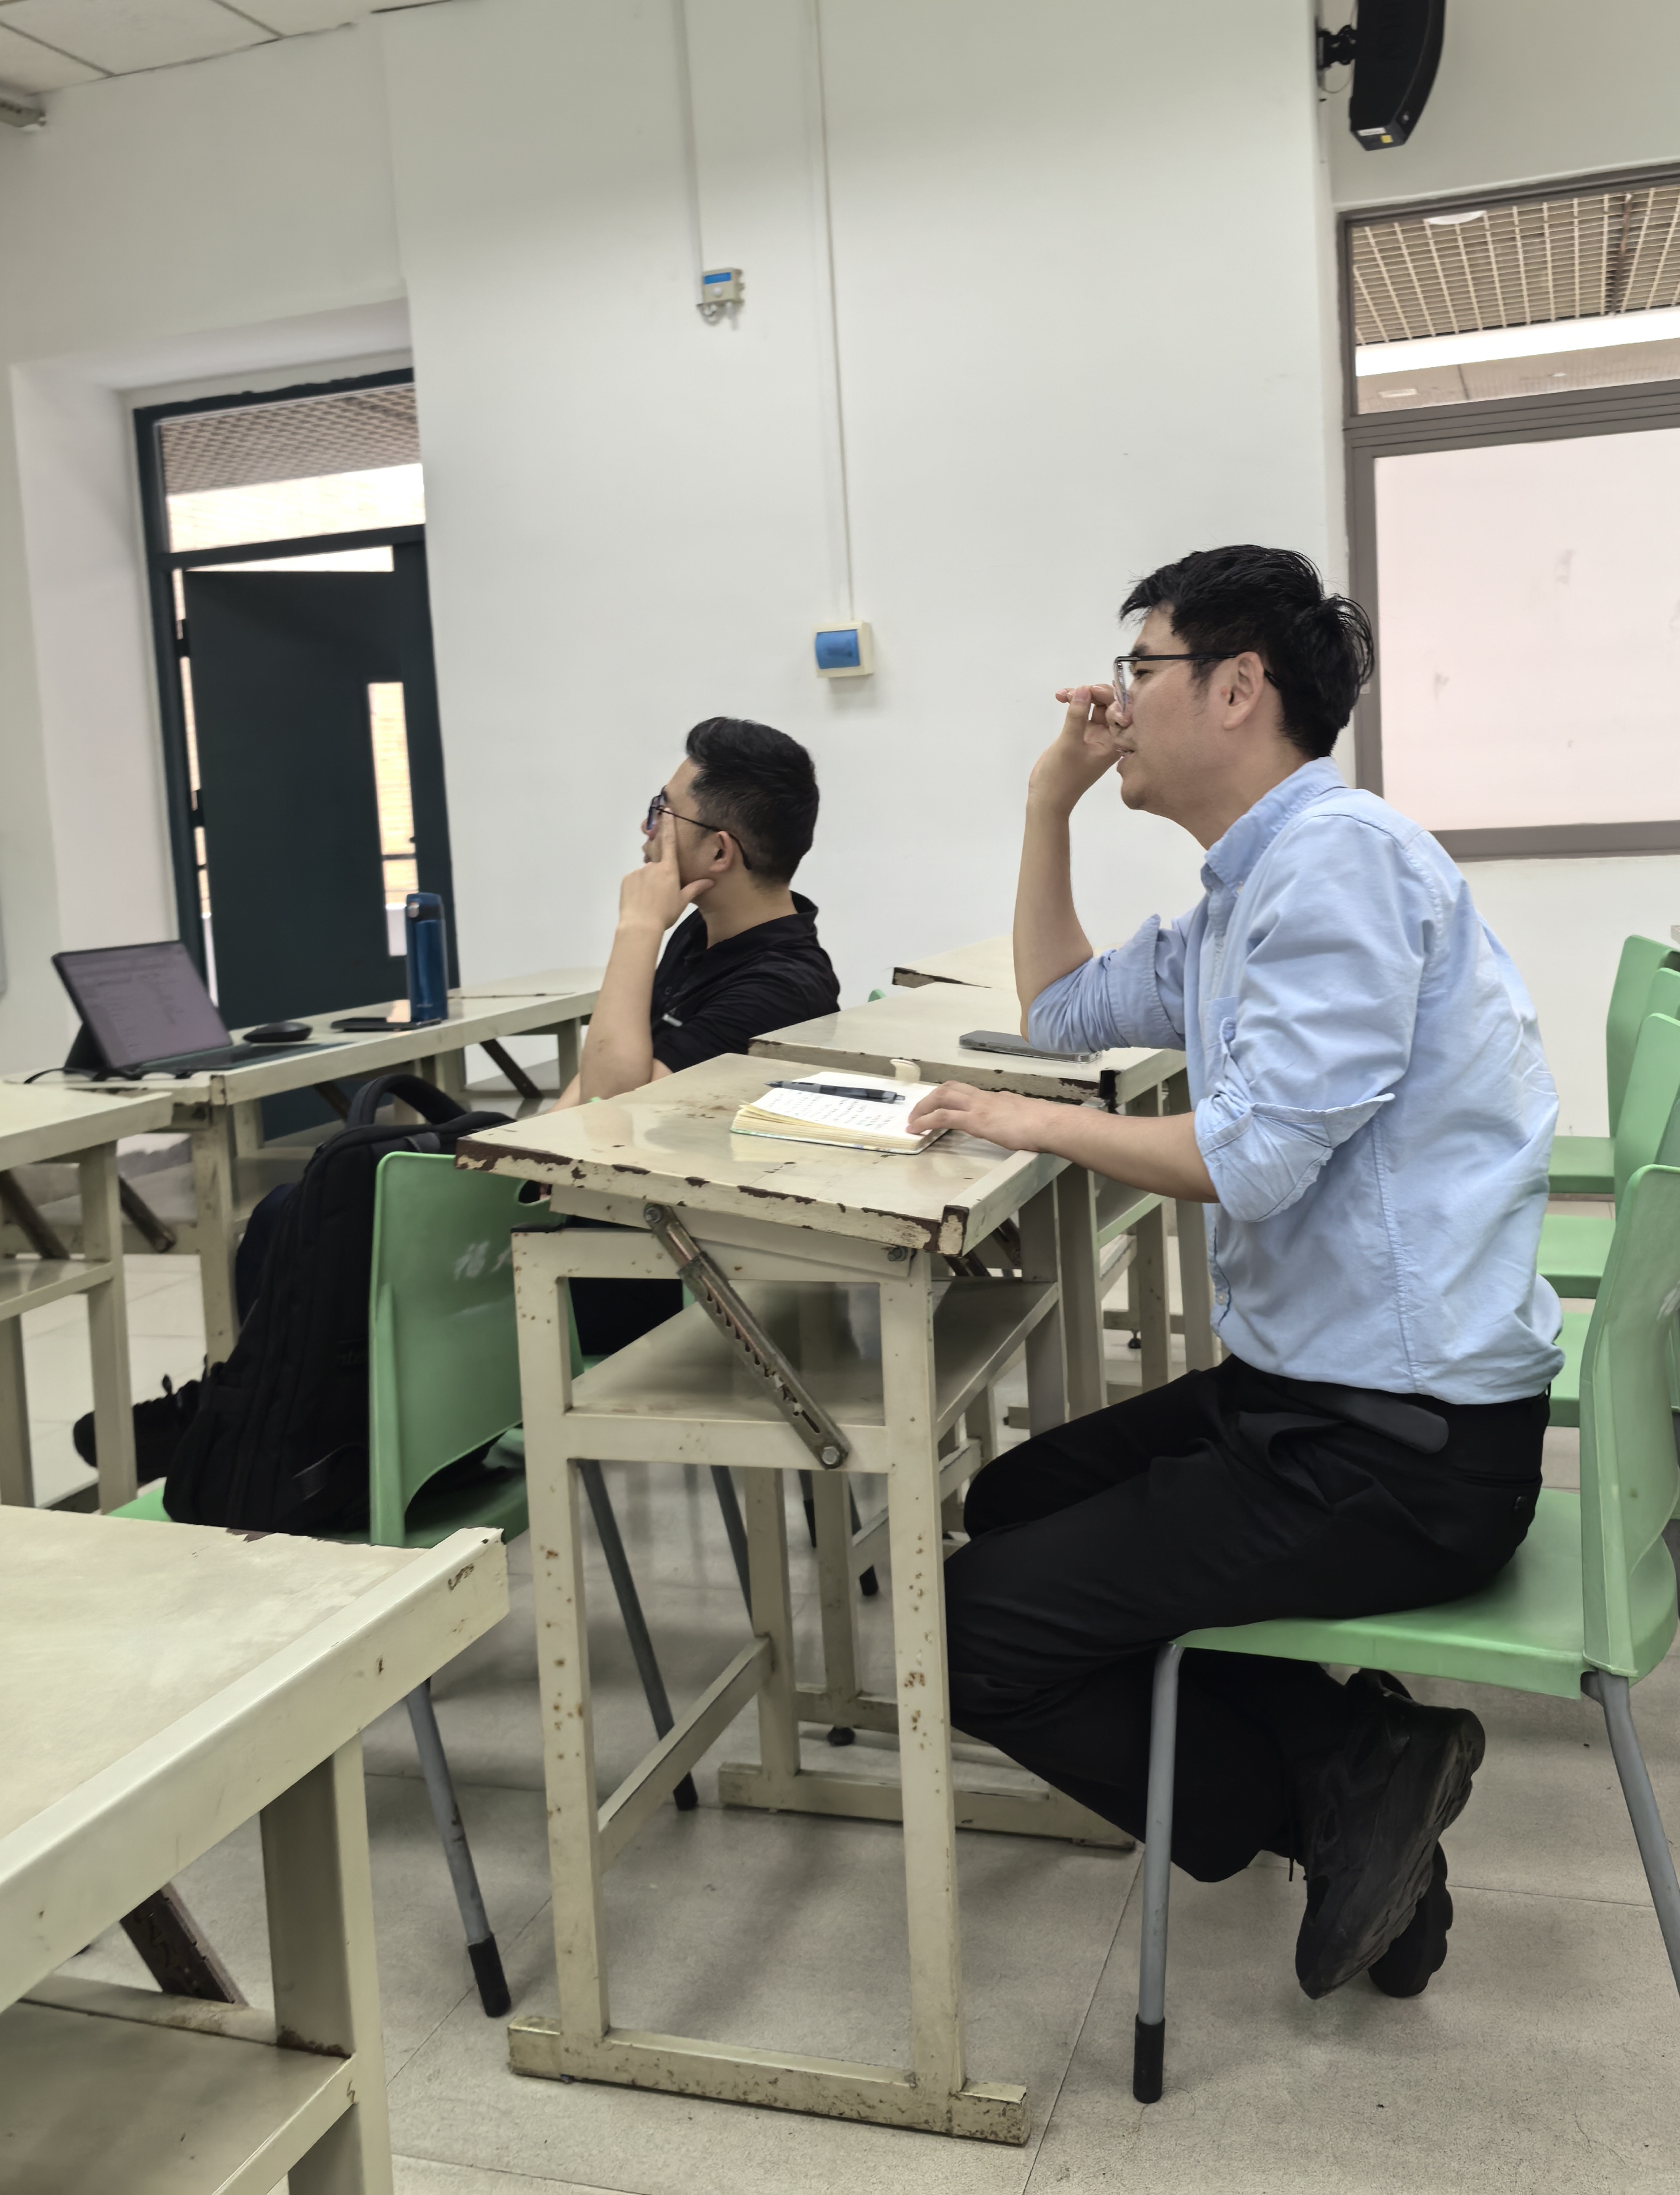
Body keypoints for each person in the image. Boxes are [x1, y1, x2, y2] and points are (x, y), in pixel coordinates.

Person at [908, 544, 1562, 2003]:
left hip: (1401, 1450)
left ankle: (1326, 1806)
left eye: (1137, 669)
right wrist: (1048, 802)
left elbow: (1255, 1156)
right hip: (1316, 1397)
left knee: (962, 1630)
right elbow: (1057, 1008)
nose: (1114, 704)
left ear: (1236, 687)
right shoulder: (1245, 891)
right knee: (1011, 1500)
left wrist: (1027, 1124)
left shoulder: (1340, 865)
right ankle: (1351, 1759)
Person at [560, 714, 839, 1354]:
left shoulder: (781, 988)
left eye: (662, 812)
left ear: (719, 852)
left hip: (665, 1250)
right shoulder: (701, 933)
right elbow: (594, 1085)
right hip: (615, 1202)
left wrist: (637, 927)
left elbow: (610, 1105)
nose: (647, 830)